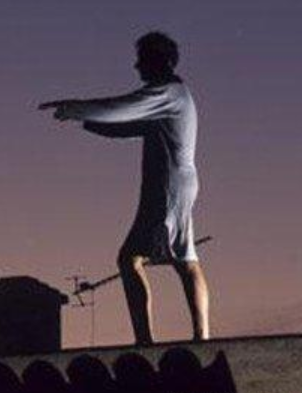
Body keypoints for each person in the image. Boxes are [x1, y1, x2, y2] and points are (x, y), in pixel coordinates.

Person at [39, 31, 209, 345]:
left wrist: (76, 108)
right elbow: (128, 127)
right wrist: (84, 121)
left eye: (141, 59)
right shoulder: (173, 97)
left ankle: (157, 339)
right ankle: (192, 336)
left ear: (158, 61)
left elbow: (121, 107)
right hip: (174, 184)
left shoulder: (167, 93)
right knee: (175, 257)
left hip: (168, 187)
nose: (136, 66)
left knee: (155, 259)